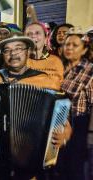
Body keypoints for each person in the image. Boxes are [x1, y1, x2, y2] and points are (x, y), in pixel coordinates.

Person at [0, 33, 71, 179]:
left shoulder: (46, 81)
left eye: (18, 48)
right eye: (7, 50)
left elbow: (62, 116)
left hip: (32, 155)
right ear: (2, 55)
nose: (13, 54)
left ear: (28, 52)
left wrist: (65, 134)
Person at [58, 27, 93, 180]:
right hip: (57, 123)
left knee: (74, 170)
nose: (69, 48)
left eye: (74, 45)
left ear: (84, 50)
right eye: (67, 44)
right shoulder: (60, 68)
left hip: (79, 126)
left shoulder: (90, 71)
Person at [24, 22, 64, 89]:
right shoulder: (16, 61)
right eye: (29, 34)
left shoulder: (56, 61)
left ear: (45, 40)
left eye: (38, 33)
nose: (33, 36)